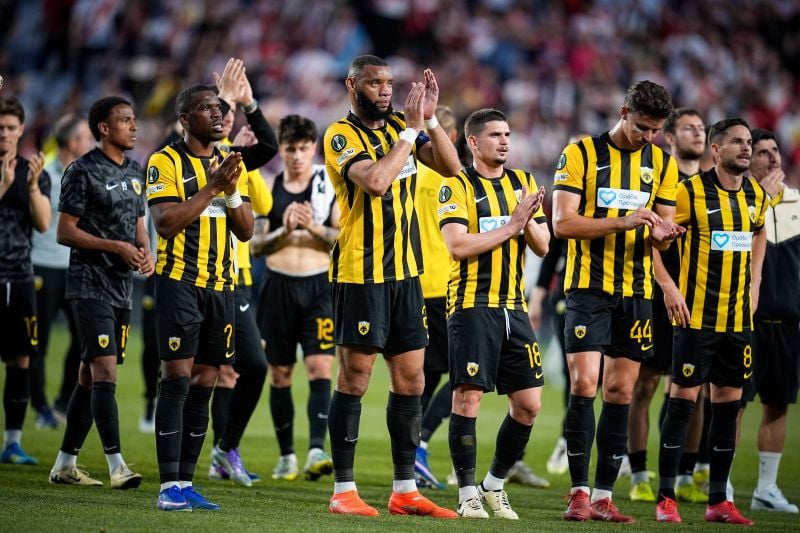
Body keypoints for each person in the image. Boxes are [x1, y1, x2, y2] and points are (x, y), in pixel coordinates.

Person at [323, 54, 461, 518]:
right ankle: (344, 491)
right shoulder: (341, 135)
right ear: (352, 85)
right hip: (361, 274)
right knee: (355, 379)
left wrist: (431, 122)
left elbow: (451, 167)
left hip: (407, 275)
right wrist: (409, 131)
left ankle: (405, 490)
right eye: (375, 83)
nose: (385, 90)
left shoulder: (403, 127)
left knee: (412, 380)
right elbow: (377, 182)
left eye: (389, 83)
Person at [552, 80, 682, 523]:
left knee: (621, 390)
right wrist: (624, 221)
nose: (649, 137)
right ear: (624, 112)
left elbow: (661, 233)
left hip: (637, 291)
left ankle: (604, 497)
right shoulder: (581, 154)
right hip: (588, 288)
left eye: (656, 130)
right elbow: (563, 224)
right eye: (643, 127)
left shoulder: (663, 164)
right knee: (584, 384)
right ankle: (578, 493)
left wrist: (663, 236)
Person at [655, 118, 767, 526]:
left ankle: (718, 501)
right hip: (696, 319)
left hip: (737, 322)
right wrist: (668, 286)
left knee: (727, 410)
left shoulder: (756, 194)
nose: (746, 148)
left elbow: (759, 232)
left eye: (748, 141)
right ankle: (666, 497)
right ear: (716, 150)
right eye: (737, 142)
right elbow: (656, 240)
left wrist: (755, 281)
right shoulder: (689, 192)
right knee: (682, 405)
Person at [147, 83, 253, 512]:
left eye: (219, 107)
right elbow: (166, 223)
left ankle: (186, 482)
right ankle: (167, 486)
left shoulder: (230, 163)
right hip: (179, 282)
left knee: (206, 382)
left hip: (222, 286)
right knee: (177, 379)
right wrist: (212, 188)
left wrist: (230, 189)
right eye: (206, 108)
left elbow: (245, 230)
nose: (217, 113)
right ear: (184, 119)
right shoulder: (165, 160)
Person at [440, 108, 550, 519]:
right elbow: (458, 246)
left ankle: (494, 485)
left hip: (514, 307)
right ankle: (467, 493)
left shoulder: (523, 182)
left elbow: (543, 245)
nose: (504, 141)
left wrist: (527, 221)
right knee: (468, 397)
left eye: (507, 134)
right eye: (495, 135)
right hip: (472, 305)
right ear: (473, 142)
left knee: (529, 404)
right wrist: (513, 224)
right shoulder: (457, 186)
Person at [48, 96, 153, 489]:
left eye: (134, 119)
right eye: (125, 120)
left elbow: (139, 224)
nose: (134, 126)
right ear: (104, 128)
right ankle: (117, 465)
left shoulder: (136, 171)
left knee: (89, 376)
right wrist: (116, 247)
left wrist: (145, 253)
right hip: (89, 283)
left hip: (122, 287)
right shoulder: (82, 170)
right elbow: (65, 231)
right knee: (105, 370)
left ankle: (64, 464)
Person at [627, 108, 710, 503]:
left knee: (696, 390)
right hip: (658, 296)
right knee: (645, 384)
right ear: (671, 138)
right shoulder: (660, 180)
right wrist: (666, 285)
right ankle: (639, 474)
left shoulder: (712, 187)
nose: (699, 133)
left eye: (702, 128)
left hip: (700, 301)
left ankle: (685, 475)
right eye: (689, 128)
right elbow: (649, 239)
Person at [250, 114, 338, 483]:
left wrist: (311, 226)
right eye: (290, 149)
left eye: (303, 148)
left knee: (320, 367)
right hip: (278, 287)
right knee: (280, 372)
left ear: (313, 148)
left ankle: (317, 449)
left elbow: (340, 238)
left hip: (319, 287)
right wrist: (285, 230)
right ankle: (286, 455)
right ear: (281, 151)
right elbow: (256, 245)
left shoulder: (328, 185)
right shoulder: (269, 187)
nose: (298, 156)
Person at [205, 58, 278, 487]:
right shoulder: (190, 157)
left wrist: (248, 102)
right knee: (203, 371)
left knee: (249, 367)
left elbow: (264, 203)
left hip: (238, 278)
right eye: (218, 112)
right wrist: (226, 98)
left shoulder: (237, 161)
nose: (225, 118)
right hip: (196, 275)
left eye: (227, 113)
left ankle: (224, 447)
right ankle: (189, 465)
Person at [738, 128, 799, 514]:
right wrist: (761, 199)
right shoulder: (739, 201)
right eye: (763, 152)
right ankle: (721, 485)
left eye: (775, 150)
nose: (773, 157)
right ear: (749, 162)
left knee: (778, 405)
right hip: (745, 321)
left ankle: (766, 488)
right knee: (733, 404)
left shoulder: (797, 203)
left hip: (787, 324)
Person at [528, 133, 590, 479]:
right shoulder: (564, 197)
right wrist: (538, 296)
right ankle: (568, 439)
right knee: (574, 375)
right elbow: (552, 251)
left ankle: (621, 452)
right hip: (570, 292)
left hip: (615, 293)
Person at [30, 114, 94, 428]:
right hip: (43, 264)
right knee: (37, 341)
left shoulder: (88, 173)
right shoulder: (44, 172)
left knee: (84, 340)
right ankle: (40, 406)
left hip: (75, 266)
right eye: (86, 137)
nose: (91, 143)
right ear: (72, 142)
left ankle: (62, 402)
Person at [0, 95, 50, 466]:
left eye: (10, 128)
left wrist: (31, 186)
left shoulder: (33, 170)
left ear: (21, 130)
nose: (4, 134)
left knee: (20, 360)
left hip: (19, 276)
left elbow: (44, 223)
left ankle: (13, 443)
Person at [412, 104, 458, 490]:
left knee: (425, 374)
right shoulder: (452, 179)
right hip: (446, 286)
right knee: (467, 372)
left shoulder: (407, 172)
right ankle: (421, 443)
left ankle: (411, 449)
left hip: (412, 285)